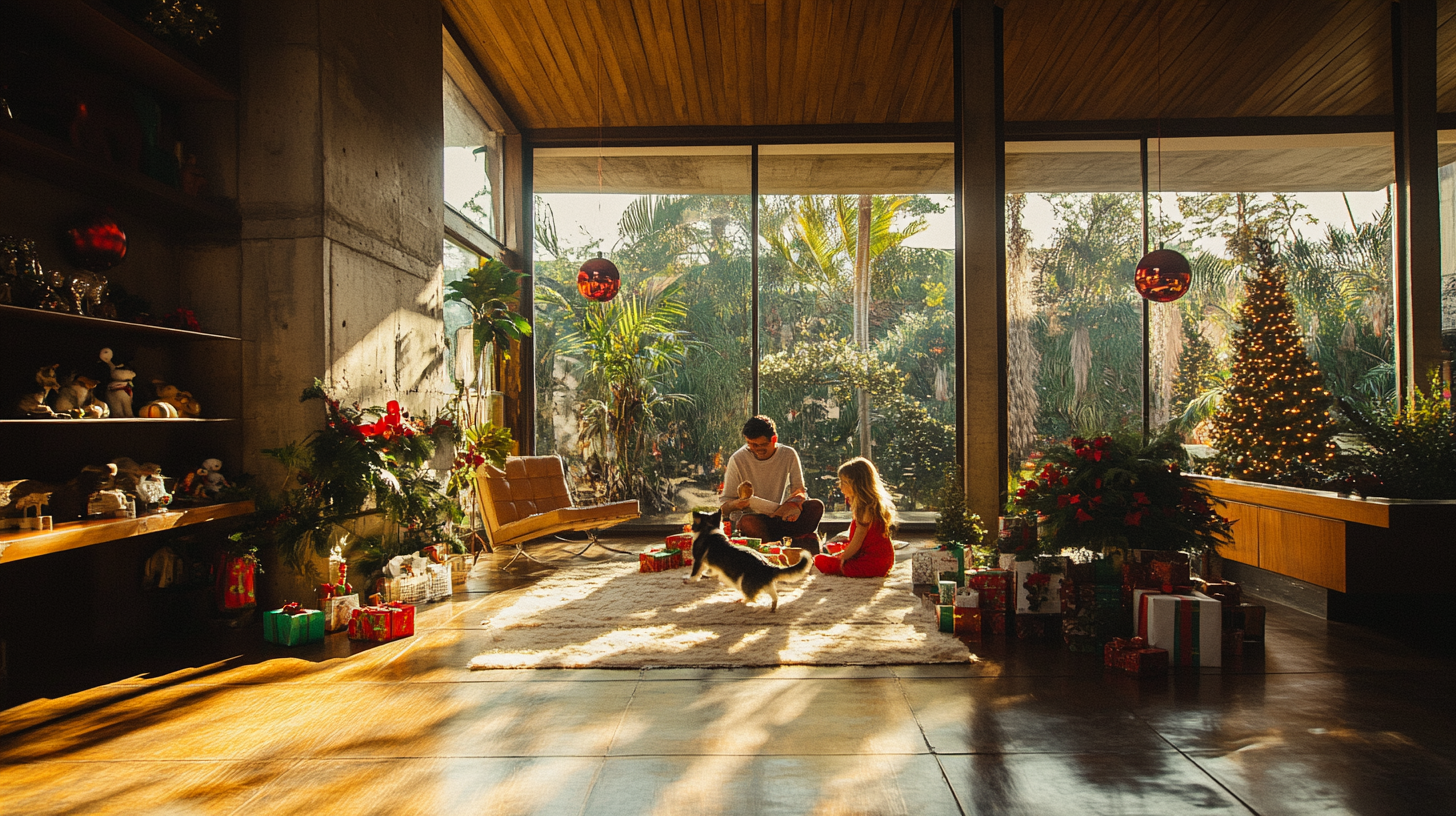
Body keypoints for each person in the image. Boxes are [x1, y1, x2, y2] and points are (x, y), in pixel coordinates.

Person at [718, 415, 825, 554]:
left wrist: (794, 505)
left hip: (782, 517)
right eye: (751, 444)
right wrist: (739, 504)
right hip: (756, 520)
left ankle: (786, 543)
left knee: (815, 506)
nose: (756, 449)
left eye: (761, 445)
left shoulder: (788, 454)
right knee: (748, 522)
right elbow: (725, 508)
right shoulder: (737, 459)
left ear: (774, 439)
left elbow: (799, 490)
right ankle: (786, 545)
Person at [814, 457, 896, 578]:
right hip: (875, 556)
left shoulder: (866, 510)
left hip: (871, 563)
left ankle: (834, 559)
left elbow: (857, 543)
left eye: (844, 483)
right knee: (833, 546)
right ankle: (830, 551)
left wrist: (841, 558)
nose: (840, 487)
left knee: (819, 561)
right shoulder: (868, 504)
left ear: (858, 485)